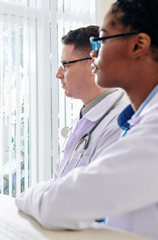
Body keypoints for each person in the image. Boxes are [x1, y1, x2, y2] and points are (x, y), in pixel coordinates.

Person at [15, 0, 158, 239]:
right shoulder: (146, 117)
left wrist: (27, 195)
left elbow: (61, 203)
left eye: (100, 39)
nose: (93, 53)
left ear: (138, 45)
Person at [54, 25, 127, 180]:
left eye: (65, 65)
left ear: (92, 64)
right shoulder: (84, 117)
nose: (58, 74)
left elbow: (100, 192)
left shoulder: (118, 125)